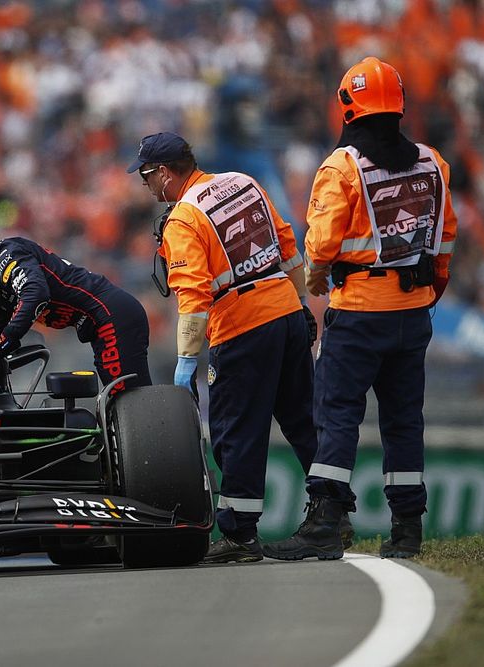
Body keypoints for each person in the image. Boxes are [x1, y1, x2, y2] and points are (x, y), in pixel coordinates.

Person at [263, 57, 457, 561]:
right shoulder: (434, 163)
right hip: (413, 314)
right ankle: (408, 529)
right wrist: (425, 293)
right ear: (399, 106)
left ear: (348, 109)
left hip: (358, 314)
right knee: (403, 421)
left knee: (336, 414)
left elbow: (320, 248)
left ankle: (326, 522)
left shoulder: (342, 167)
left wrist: (321, 286)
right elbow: (445, 242)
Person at [128, 131, 326, 564]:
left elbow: (194, 298)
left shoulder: (182, 219)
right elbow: (288, 245)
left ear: (164, 173)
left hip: (241, 327)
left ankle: (239, 535)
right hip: (287, 313)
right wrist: (302, 304)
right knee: (305, 421)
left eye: (145, 176)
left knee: (236, 433)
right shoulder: (243, 182)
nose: (144, 186)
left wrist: (185, 363)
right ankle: (332, 516)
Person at [0, 234, 152, 393]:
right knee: (116, 409)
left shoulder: (3, 255)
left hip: (111, 315)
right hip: (100, 324)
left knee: (126, 403)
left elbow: (35, 293)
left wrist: (5, 340)